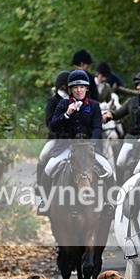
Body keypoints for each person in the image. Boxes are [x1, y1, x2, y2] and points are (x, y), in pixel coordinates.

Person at [41, 70, 115, 216]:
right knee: (49, 169)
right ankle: (45, 202)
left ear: (86, 88)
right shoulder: (63, 104)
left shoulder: (94, 105)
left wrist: (92, 143)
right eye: (75, 87)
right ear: (71, 90)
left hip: (89, 148)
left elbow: (97, 127)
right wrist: (67, 114)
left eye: (82, 87)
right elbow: (53, 126)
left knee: (108, 169)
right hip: (66, 147)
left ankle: (107, 203)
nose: (79, 90)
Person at [104, 71, 140, 174]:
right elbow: (119, 113)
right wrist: (110, 114)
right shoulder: (131, 101)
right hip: (132, 137)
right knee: (120, 162)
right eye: (137, 85)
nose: (139, 87)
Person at [36, 71, 70, 210]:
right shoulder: (52, 101)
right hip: (56, 139)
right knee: (43, 156)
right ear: (63, 86)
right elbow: (50, 123)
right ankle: (42, 192)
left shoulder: (76, 99)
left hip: (75, 140)